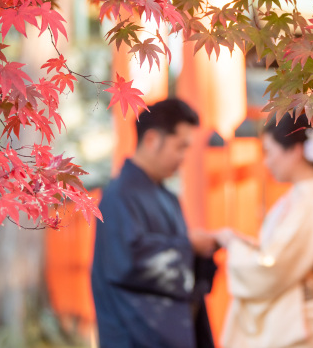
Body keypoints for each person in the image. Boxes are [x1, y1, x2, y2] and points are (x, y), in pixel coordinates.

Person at [91, 98, 219, 348]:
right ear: (151, 140)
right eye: (180, 147)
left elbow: (183, 268)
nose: (183, 158)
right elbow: (128, 263)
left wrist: (201, 250)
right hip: (134, 336)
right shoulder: (118, 195)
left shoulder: (168, 198)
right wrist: (188, 246)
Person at [215, 113, 313, 348]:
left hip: (300, 324)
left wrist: (234, 245)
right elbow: (276, 254)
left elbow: (272, 267)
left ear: (294, 151)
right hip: (292, 317)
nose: (266, 162)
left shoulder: (310, 204)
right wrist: (245, 245)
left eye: (269, 152)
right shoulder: (300, 200)